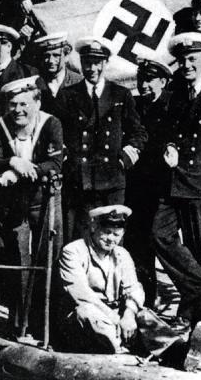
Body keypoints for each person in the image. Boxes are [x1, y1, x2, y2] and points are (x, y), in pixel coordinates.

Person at [0, 75, 63, 337]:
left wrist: (27, 170)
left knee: (47, 259)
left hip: (44, 200)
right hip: (13, 203)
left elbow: (55, 163)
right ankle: (18, 321)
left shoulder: (51, 124)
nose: (18, 110)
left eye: (24, 104)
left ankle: (45, 325)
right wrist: (12, 162)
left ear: (37, 103)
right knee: (15, 258)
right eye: (13, 104)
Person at [56, 205, 181, 358]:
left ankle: (178, 351)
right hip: (82, 315)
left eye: (116, 234)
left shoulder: (121, 254)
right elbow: (82, 294)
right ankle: (131, 348)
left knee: (144, 316)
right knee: (91, 315)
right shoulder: (73, 251)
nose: (111, 239)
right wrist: (117, 320)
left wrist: (129, 314)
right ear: (94, 227)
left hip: (115, 313)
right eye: (107, 232)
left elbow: (134, 288)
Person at [60, 37, 147, 242]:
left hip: (112, 180)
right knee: (80, 239)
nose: (92, 68)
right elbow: (57, 132)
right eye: (87, 62)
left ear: (105, 63)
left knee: (112, 237)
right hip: (79, 181)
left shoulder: (121, 94)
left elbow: (139, 133)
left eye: (97, 63)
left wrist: (126, 157)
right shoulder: (67, 95)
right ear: (81, 63)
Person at [152, 33, 201, 328]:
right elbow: (168, 130)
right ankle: (199, 290)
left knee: (200, 249)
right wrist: (169, 145)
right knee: (159, 234)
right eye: (183, 60)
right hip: (173, 180)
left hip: (199, 182)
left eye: (192, 59)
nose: (187, 65)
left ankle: (194, 316)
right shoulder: (177, 94)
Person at [124, 58, 171, 308]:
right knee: (137, 242)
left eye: (150, 80)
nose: (144, 85)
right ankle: (145, 299)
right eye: (141, 79)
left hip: (163, 187)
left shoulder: (174, 105)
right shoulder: (135, 104)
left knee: (159, 239)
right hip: (136, 185)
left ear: (163, 81)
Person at [33, 31, 81, 120]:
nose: (51, 60)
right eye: (47, 56)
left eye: (56, 55)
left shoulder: (79, 82)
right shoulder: (36, 83)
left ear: (66, 56)